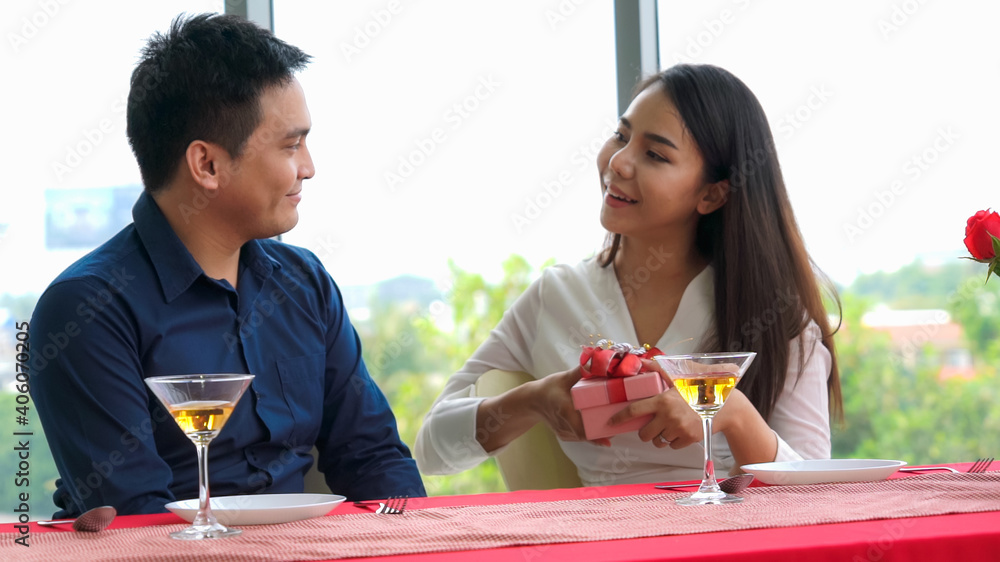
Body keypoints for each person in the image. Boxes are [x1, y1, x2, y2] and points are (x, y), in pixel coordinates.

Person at [30, 13, 425, 518]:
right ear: (207, 165)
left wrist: (412, 541)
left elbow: (372, 456)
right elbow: (136, 519)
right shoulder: (87, 309)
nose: (308, 167)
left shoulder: (305, 283)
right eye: (291, 144)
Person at [414, 64, 842, 486]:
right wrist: (534, 401)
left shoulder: (774, 314)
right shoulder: (558, 296)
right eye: (621, 136)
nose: (618, 162)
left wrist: (733, 414)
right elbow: (431, 448)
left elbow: (816, 491)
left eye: (654, 154)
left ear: (712, 194)